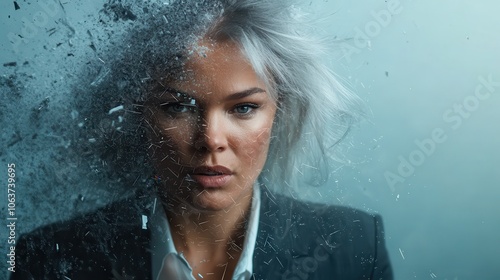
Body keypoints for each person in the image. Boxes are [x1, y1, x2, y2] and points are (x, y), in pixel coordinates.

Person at [10, 0, 393, 279]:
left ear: (281, 110)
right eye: (178, 107)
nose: (211, 140)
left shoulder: (355, 248)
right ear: (139, 114)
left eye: (243, 108)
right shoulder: (46, 260)